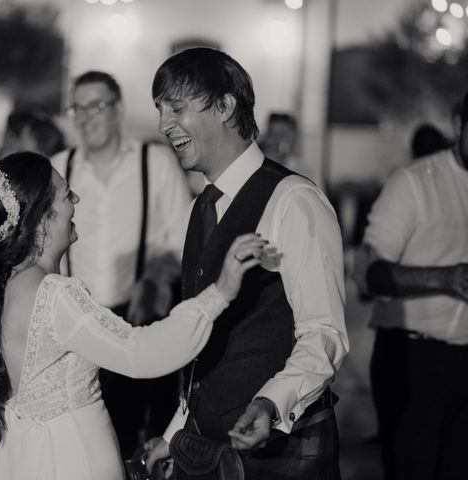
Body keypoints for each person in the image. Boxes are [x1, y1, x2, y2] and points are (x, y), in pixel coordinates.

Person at [0, 151, 266, 480]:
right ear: (42, 217)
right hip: (71, 459)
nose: (76, 199)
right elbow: (140, 353)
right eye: (67, 195)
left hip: (17, 455)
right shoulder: (56, 296)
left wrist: (18, 404)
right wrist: (218, 294)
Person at [144, 47, 348, 479]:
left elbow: (323, 331)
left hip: (282, 449)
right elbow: (205, 344)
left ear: (225, 106)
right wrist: (175, 432)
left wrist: (272, 402)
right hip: (209, 445)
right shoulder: (203, 205)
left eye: (176, 108)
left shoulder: (294, 200)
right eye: (161, 110)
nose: (164, 125)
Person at [51, 70, 191, 457]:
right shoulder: (58, 166)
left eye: (96, 105)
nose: (85, 116)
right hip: (75, 327)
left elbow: (182, 235)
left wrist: (157, 275)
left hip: (138, 322)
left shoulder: (155, 162)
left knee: (132, 436)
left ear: (118, 109)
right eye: (77, 107)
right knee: (82, 440)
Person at [352, 82, 468, 480]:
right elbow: (368, 274)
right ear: (458, 124)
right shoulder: (413, 182)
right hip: (412, 360)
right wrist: (444, 278)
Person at [257, 112, 321, 186]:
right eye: (272, 134)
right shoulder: (258, 167)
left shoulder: (306, 174)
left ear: (294, 139)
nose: (276, 140)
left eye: (283, 134)